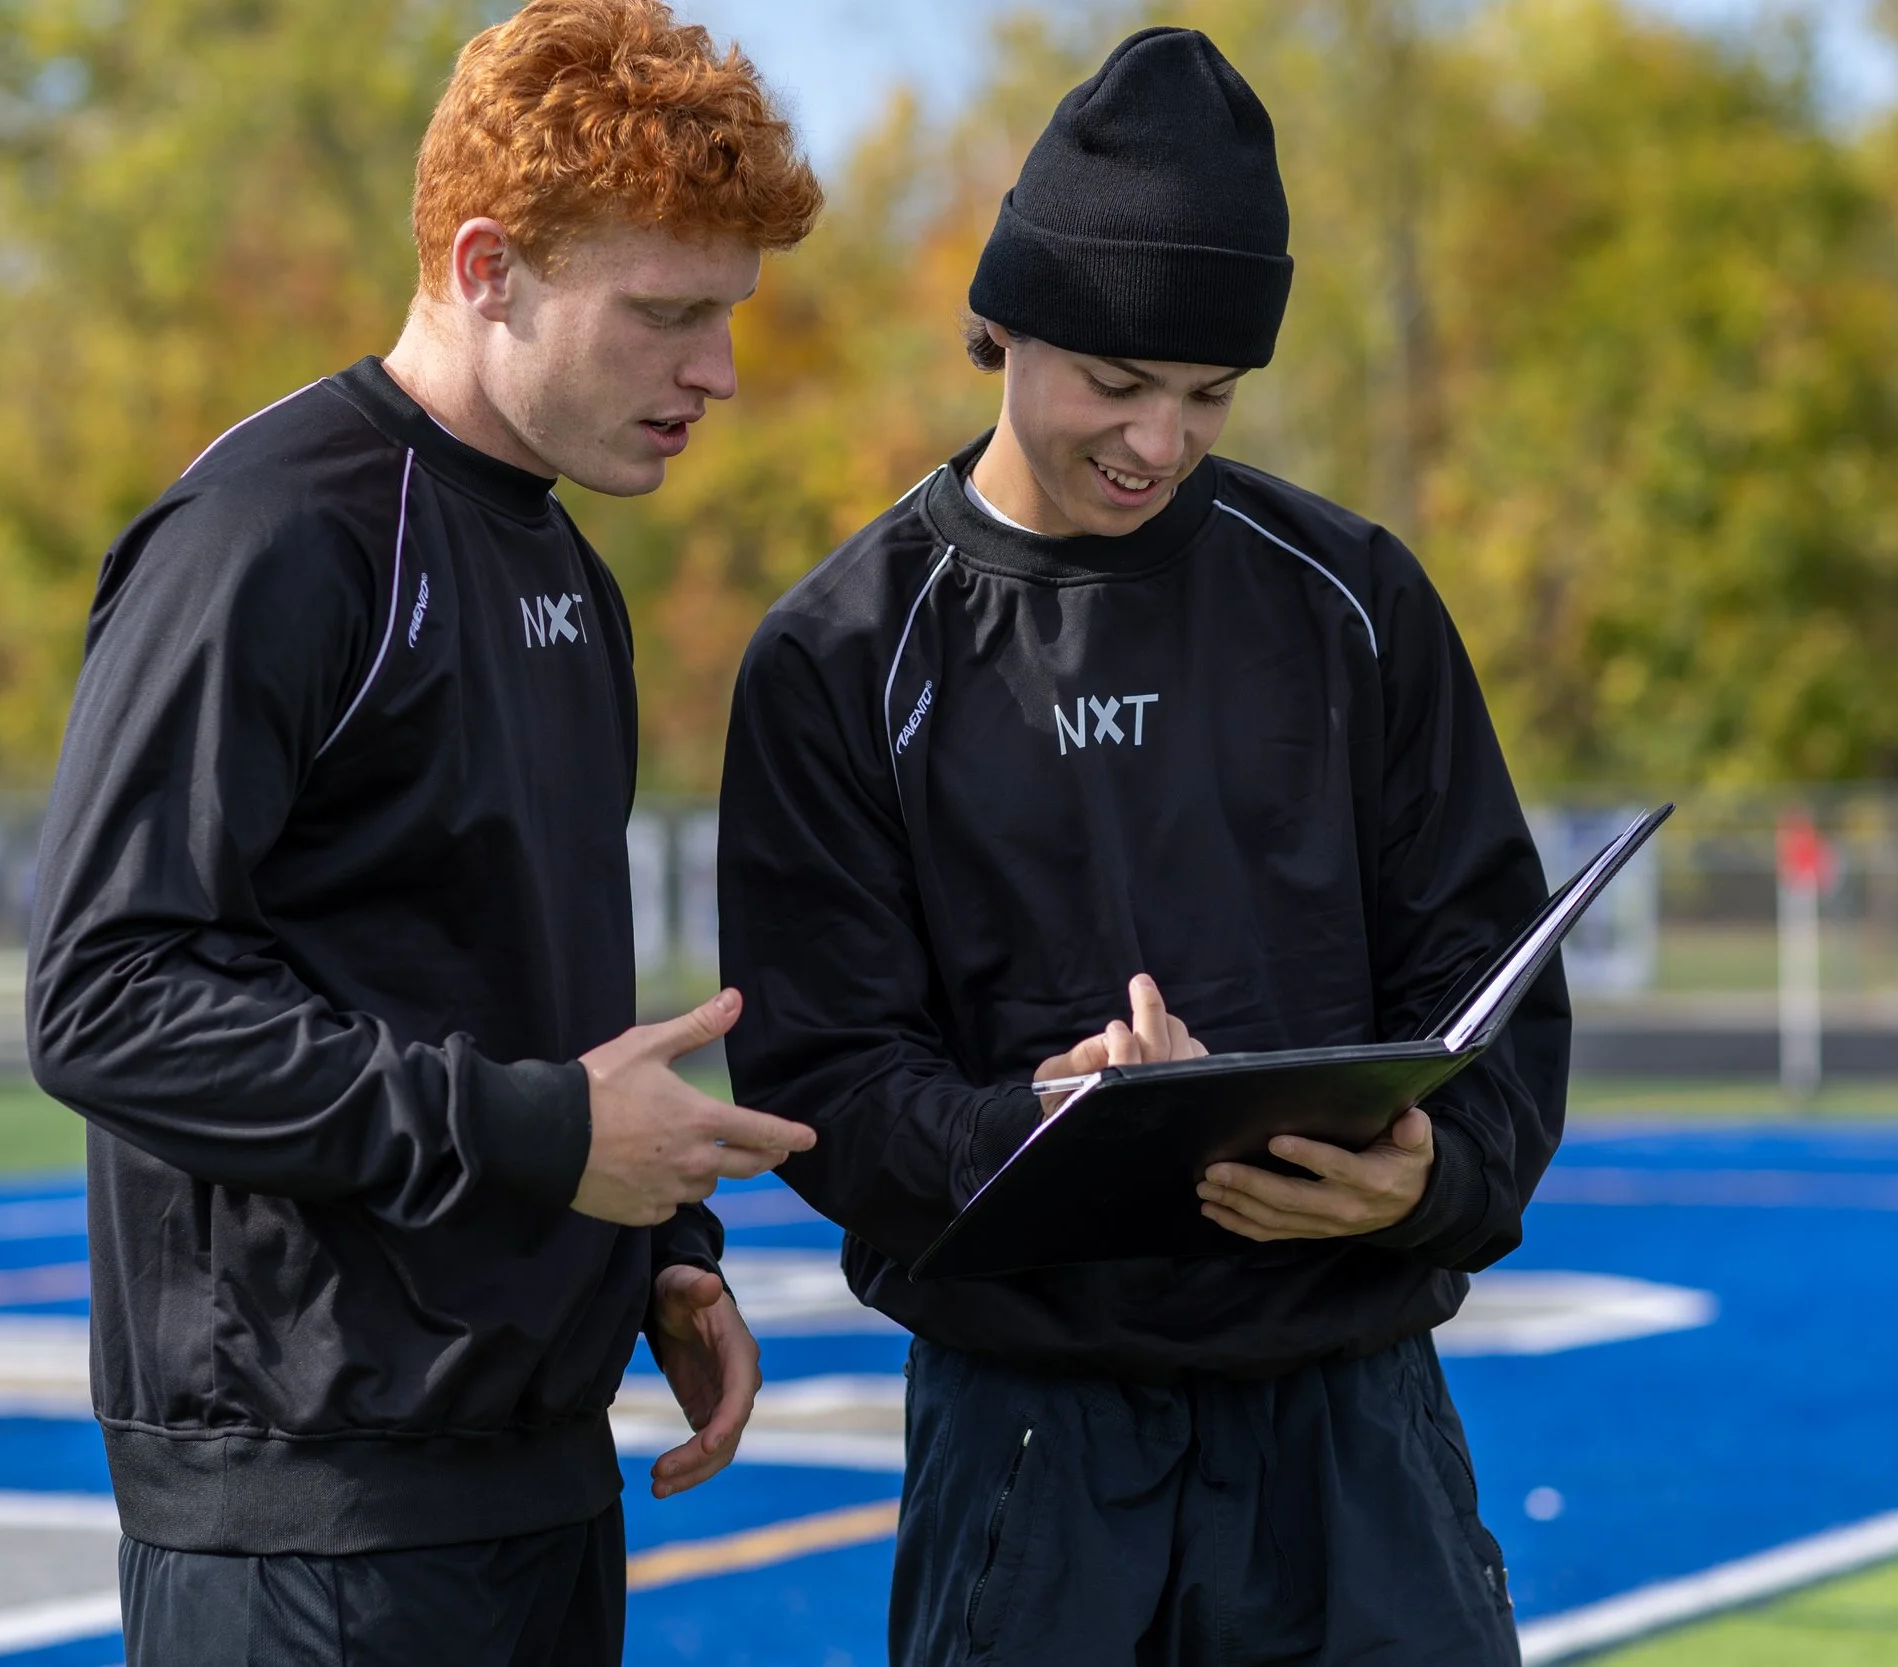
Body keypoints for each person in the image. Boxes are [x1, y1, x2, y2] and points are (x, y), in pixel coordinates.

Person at [717, 27, 1566, 1666]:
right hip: (1036, 1450)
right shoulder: (841, 653)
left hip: (1353, 1423)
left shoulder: (1353, 601)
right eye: (1116, 383)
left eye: (1207, 394)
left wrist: (1432, 1176)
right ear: (1002, 322)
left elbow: (1493, 974)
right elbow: (827, 1082)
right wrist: (1036, 1130)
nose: (1158, 442)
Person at [25, 3, 822, 1661]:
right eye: (667, 315)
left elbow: (526, 993)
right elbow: (105, 997)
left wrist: (662, 1251)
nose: (717, 374)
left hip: (536, 1485)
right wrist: (539, 1139)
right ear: (486, 268)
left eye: (727, 317)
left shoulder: (566, 569)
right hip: (310, 1522)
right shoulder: (266, 539)